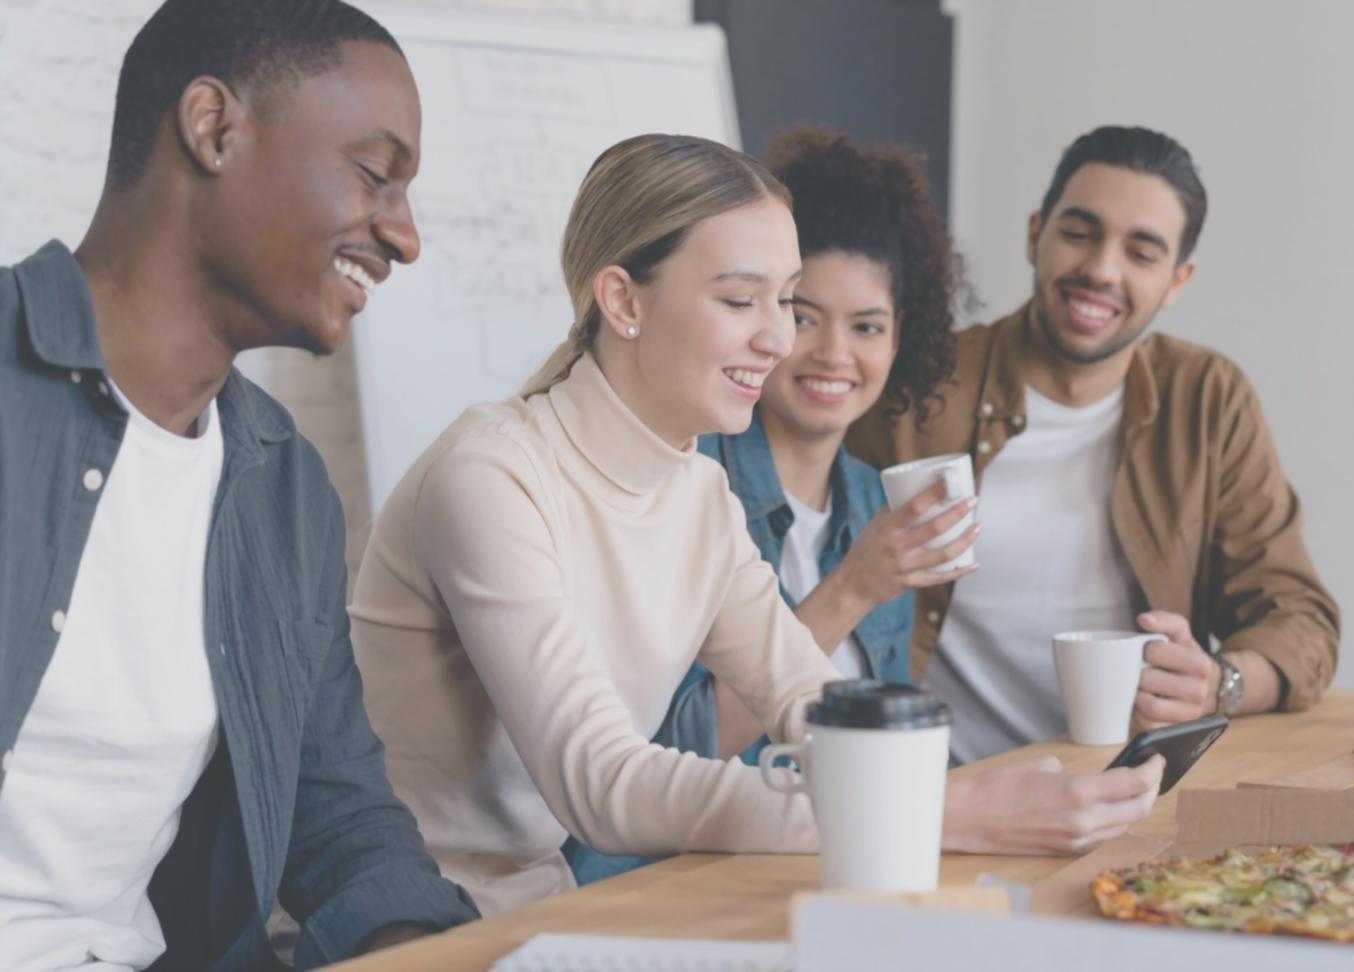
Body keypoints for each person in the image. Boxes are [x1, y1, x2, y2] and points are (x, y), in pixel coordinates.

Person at [351, 132, 1162, 918]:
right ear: (623, 300)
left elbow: (809, 702)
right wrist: (942, 811)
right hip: (415, 927)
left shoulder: (697, 493)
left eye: (784, 299)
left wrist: (974, 786)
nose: (778, 339)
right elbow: (604, 787)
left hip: (542, 911)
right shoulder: (491, 475)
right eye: (743, 300)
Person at [0, 1, 479, 968]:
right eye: (375, 175)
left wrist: (414, 943)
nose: (406, 235)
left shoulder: (281, 488)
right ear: (214, 128)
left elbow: (334, 805)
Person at [849, 125, 1340, 763]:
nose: (1100, 270)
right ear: (1036, 234)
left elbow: (1302, 620)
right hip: (940, 788)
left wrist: (1220, 683)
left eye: (1141, 253)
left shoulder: (1209, 399)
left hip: (1129, 788)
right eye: (1080, 233)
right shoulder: (920, 385)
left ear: (1177, 280)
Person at [564, 126, 977, 884]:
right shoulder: (685, 479)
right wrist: (854, 587)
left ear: (900, 341)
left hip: (813, 866)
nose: (827, 352)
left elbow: (865, 736)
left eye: (867, 327)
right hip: (670, 882)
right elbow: (666, 754)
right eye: (802, 311)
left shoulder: (869, 502)